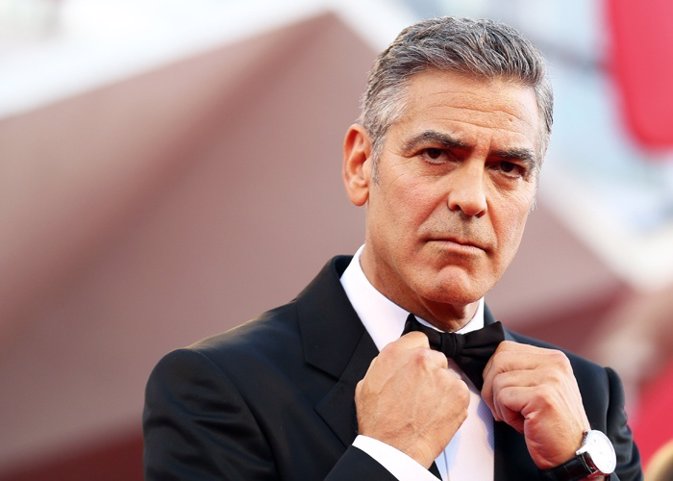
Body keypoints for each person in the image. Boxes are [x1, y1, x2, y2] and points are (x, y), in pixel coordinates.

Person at [143, 16, 642, 481]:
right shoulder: (216, 387)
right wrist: (388, 457)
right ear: (362, 164)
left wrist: (583, 468)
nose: (471, 199)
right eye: (437, 154)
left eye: (508, 168)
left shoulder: (590, 396)